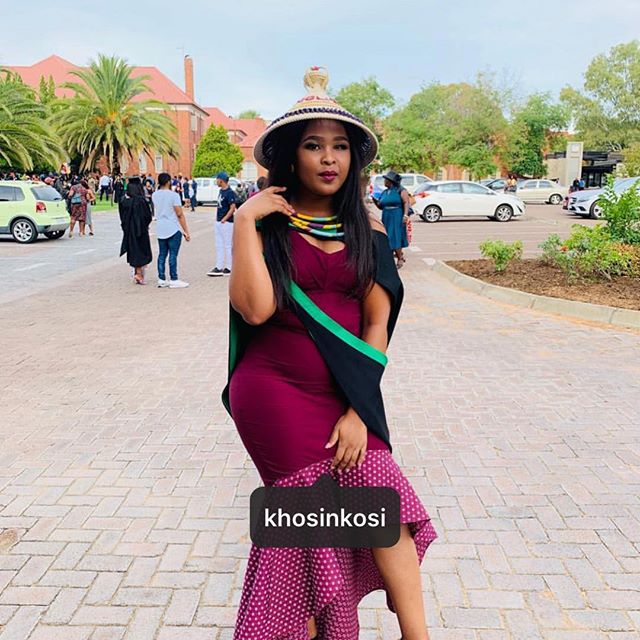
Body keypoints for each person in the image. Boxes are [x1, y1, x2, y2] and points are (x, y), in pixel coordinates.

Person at [223, 67, 436, 640]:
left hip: (343, 391)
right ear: (291, 157)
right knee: (310, 519)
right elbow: (255, 311)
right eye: (313, 145)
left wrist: (358, 410)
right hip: (272, 393)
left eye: (339, 146)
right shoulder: (268, 228)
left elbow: (377, 324)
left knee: (380, 499)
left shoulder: (368, 231)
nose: (328, 158)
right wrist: (245, 222)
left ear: (353, 159)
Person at [152, 172, 191, 288]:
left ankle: (161, 278)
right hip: (173, 227)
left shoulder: (155, 195)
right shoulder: (174, 196)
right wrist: (186, 231)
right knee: (173, 254)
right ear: (169, 182)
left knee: (162, 254)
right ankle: (174, 278)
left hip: (160, 227)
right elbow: (179, 214)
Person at [372, 170, 410, 268]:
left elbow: (406, 202)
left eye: (386, 180)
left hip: (397, 215)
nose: (384, 182)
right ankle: (390, 259)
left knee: (395, 236)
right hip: (386, 216)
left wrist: (405, 215)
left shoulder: (401, 190)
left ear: (391, 181)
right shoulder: (385, 192)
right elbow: (380, 206)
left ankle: (400, 258)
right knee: (387, 237)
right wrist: (375, 201)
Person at [119, 177, 153, 285]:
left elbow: (121, 216)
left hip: (129, 230)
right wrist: (145, 225)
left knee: (133, 250)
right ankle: (138, 274)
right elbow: (148, 216)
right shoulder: (141, 201)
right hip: (140, 230)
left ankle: (137, 272)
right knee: (141, 251)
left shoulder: (123, 200)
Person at [206, 171, 236, 277]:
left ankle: (229, 267)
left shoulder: (230, 192)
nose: (216, 181)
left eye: (217, 179)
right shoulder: (221, 191)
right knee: (219, 245)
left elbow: (233, 207)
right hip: (219, 221)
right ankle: (219, 266)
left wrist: (225, 218)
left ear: (221, 180)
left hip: (227, 222)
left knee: (227, 245)